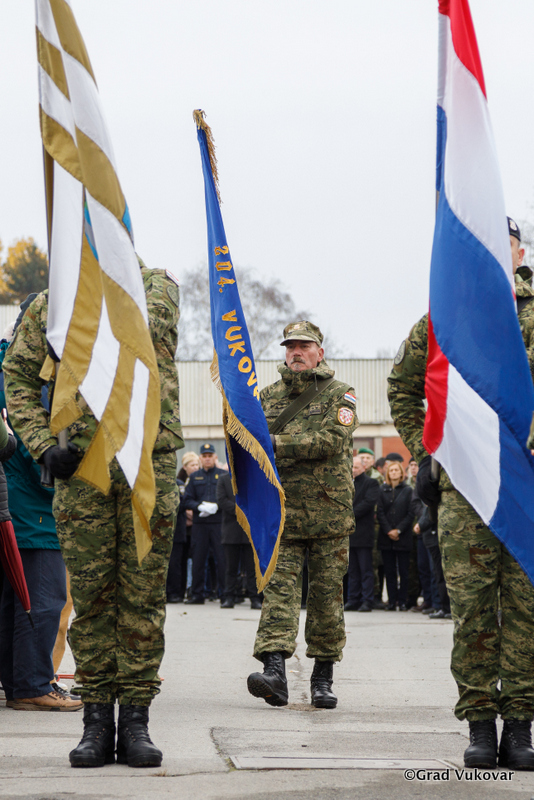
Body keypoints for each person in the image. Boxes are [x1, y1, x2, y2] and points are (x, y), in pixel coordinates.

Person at [3, 264, 183, 768]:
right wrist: (41, 444)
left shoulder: (155, 284)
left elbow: (140, 325)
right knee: (92, 600)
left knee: (142, 597)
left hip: (146, 463)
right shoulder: (51, 302)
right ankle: (97, 723)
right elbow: (17, 374)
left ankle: (137, 722)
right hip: (81, 469)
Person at [388, 217, 534, 770]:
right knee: (472, 612)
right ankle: (478, 723)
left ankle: (519, 726)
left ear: (519, 254)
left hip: (527, 488)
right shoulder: (444, 317)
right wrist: (426, 449)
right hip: (466, 489)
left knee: (526, 610)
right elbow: (403, 386)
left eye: (505, 243)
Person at [247, 320, 357, 709]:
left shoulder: (341, 394)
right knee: (278, 594)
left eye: (304, 346)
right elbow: (250, 444)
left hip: (329, 515)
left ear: (319, 352)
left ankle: (322, 678)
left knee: (326, 599)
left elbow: (330, 440)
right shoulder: (266, 396)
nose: (296, 352)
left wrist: (275, 442)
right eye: (290, 346)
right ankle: (274, 672)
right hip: (282, 514)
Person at [0, 307, 81, 712]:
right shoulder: (25, 378)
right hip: (33, 508)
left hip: (18, 508)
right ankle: (32, 685)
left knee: (14, 603)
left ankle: (17, 683)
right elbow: (25, 443)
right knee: (43, 602)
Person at [182, 444, 226, 604]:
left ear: (215, 457)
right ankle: (197, 594)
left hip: (218, 523)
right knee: (198, 559)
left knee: (222, 559)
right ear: (200, 458)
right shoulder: (195, 477)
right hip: (200, 524)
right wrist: (199, 506)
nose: (207, 459)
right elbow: (186, 500)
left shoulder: (223, 475)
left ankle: (225, 595)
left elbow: (230, 497)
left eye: (210, 456)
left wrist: (217, 506)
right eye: (204, 456)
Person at [216, 470, 262, 610]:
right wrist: (240, 510)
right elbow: (222, 500)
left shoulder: (253, 477)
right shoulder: (224, 479)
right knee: (231, 568)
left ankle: (255, 598)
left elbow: (258, 498)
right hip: (231, 530)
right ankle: (229, 597)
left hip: (250, 529)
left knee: (252, 568)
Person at [376, 462, 414, 611]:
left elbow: (411, 513)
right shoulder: (382, 490)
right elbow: (379, 512)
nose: (393, 472)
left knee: (404, 571)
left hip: (403, 536)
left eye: (396, 470)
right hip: (386, 537)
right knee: (389, 571)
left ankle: (402, 601)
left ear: (401, 473)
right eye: (391, 470)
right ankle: (392, 601)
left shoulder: (408, 490)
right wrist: (388, 530)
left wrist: (398, 530)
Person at [345, 455, 379, 612]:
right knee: (352, 570)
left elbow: (368, 503)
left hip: (364, 533)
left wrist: (348, 514)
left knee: (365, 569)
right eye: (352, 467)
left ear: (364, 467)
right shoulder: (346, 482)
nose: (353, 470)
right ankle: (353, 599)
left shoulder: (371, 483)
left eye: (356, 467)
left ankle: (367, 600)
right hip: (350, 534)